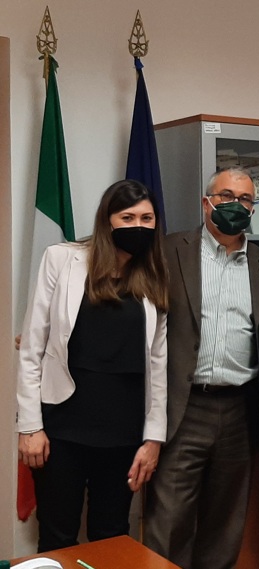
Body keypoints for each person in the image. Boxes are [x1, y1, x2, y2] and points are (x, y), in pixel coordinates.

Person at [16, 180, 168, 552]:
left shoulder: (154, 275)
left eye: (146, 218)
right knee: (57, 538)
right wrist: (30, 426)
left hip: (124, 435)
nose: (138, 226)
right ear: (107, 220)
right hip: (62, 430)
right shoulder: (61, 259)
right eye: (127, 217)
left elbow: (158, 364)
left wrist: (153, 439)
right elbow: (33, 348)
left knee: (112, 537)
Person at [144, 167, 259, 569]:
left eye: (245, 199)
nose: (236, 205)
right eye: (226, 197)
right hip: (184, 407)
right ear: (207, 203)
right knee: (169, 520)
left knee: (225, 524)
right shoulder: (170, 251)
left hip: (238, 409)